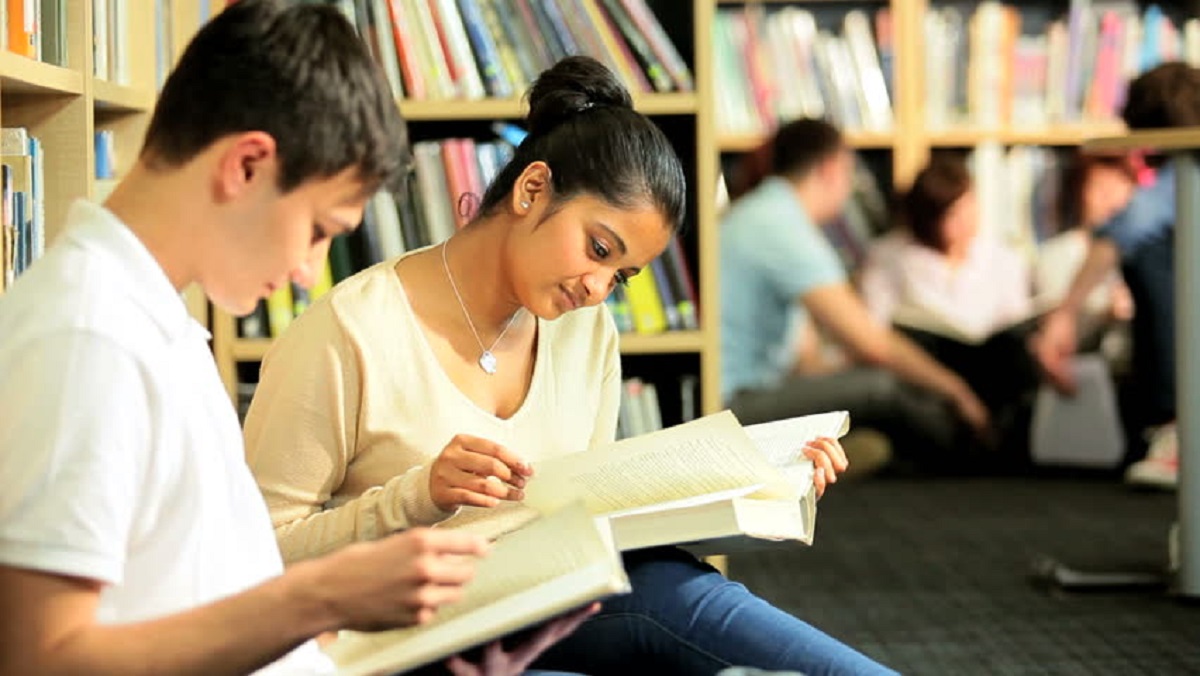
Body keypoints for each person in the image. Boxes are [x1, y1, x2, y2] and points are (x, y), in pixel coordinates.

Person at [243, 56, 897, 676]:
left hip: (539, 606)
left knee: (687, 595)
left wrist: (768, 478)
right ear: (533, 189)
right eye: (598, 248)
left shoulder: (586, 334)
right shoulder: (346, 332)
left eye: (622, 275)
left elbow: (591, 516)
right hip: (396, 636)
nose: (597, 289)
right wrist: (417, 498)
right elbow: (250, 562)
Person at [0, 2, 590, 674]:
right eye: (317, 231)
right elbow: (42, 659)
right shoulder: (86, 340)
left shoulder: (154, 328)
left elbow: (202, 602)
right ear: (246, 165)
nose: (308, 274)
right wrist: (320, 597)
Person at [719, 118, 990, 467]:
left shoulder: (761, 213)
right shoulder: (782, 226)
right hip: (734, 404)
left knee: (876, 394)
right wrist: (957, 391)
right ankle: (981, 456)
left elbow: (806, 359)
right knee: (883, 386)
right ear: (832, 169)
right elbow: (873, 345)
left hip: (746, 391)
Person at [1033, 62, 1200, 489]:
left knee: (1155, 255)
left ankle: (1178, 428)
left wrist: (1065, 313)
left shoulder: (1183, 175)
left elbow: (1127, 229)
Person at [859, 154, 1040, 453]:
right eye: (952, 214)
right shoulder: (890, 258)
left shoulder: (1003, 258)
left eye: (970, 207)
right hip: (927, 381)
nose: (965, 221)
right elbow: (872, 335)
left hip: (996, 381)